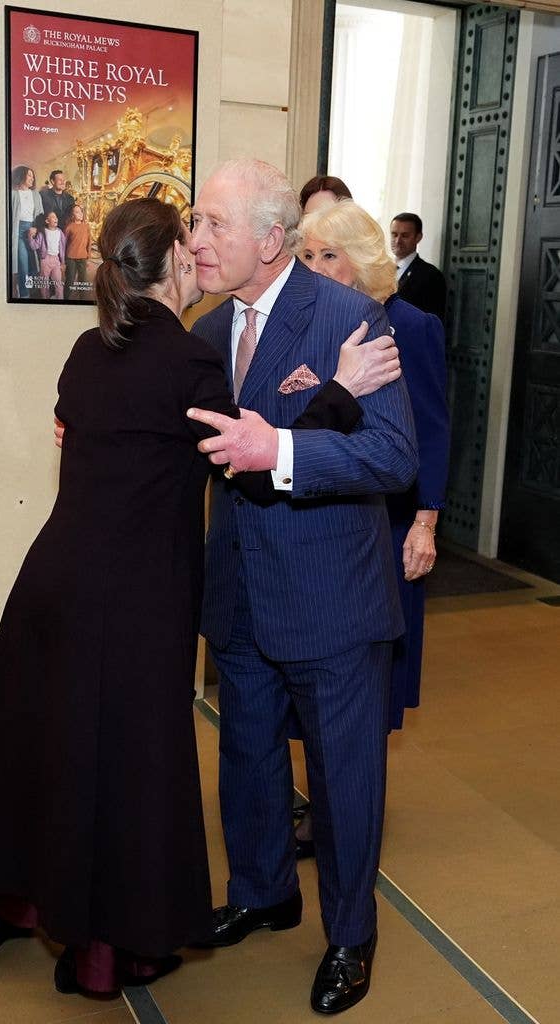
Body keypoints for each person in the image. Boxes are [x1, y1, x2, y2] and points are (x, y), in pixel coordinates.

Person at [0, 198, 242, 996]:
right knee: (116, 769)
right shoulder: (190, 365)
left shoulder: (85, 349)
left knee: (30, 748)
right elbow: (246, 458)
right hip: (135, 601)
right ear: (174, 262)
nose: (203, 250)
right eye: (193, 237)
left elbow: (80, 427)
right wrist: (335, 397)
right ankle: (98, 949)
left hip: (51, 581)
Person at [186, 160, 418, 1016]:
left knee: (342, 777)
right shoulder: (210, 330)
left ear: (269, 238)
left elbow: (394, 458)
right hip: (239, 592)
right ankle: (261, 891)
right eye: (195, 224)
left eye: (212, 224)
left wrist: (279, 451)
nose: (197, 239)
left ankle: (351, 936)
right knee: (244, 755)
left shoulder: (347, 318)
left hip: (330, 597)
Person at [284, 201, 450, 858]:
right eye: (306, 257)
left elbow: (430, 428)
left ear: (363, 258)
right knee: (318, 672)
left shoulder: (409, 325)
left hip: (388, 520)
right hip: (325, 517)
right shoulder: (308, 324)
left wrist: (426, 523)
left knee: (367, 682)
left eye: (330, 255)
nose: (316, 269)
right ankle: (325, 801)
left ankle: (347, 813)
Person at [390, 212, 447, 322]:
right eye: (394, 234)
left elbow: (432, 322)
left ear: (418, 237)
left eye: (405, 235)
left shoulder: (431, 276)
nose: (398, 241)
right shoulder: (381, 269)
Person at [10, 165, 43, 299]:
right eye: (29, 175)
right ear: (21, 176)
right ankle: (24, 294)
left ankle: (31, 291)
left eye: (32, 176)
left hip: (32, 230)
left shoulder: (36, 194)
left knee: (33, 265)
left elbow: (41, 214)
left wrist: (36, 228)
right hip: (18, 231)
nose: (32, 178)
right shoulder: (12, 193)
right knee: (22, 263)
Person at [29, 210, 66, 300]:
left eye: (56, 217)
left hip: (56, 260)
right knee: (44, 283)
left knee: (58, 283)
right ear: (47, 221)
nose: (55, 218)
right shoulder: (42, 233)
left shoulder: (60, 232)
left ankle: (60, 300)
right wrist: (30, 236)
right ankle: (45, 300)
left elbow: (62, 248)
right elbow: (34, 246)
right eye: (53, 217)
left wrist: (63, 262)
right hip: (45, 260)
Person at [64, 204, 92, 299]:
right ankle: (65, 299)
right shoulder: (69, 227)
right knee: (70, 280)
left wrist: (88, 256)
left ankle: (83, 301)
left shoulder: (86, 227)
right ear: (73, 215)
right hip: (71, 257)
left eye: (80, 211)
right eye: (76, 212)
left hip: (83, 257)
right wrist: (63, 260)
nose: (79, 214)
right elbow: (64, 243)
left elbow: (89, 242)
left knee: (83, 281)